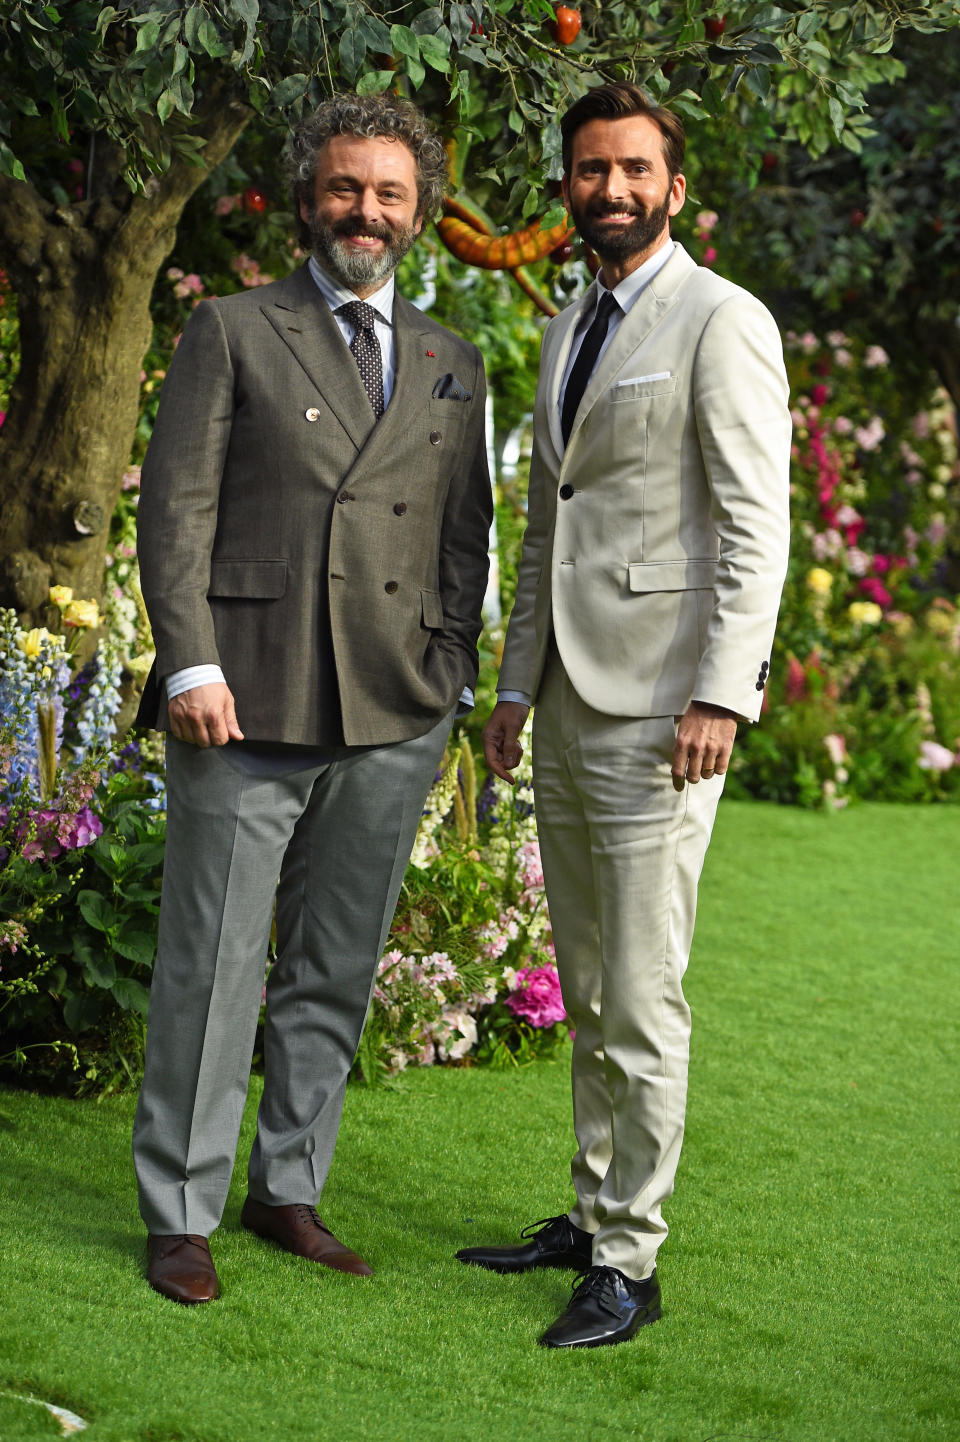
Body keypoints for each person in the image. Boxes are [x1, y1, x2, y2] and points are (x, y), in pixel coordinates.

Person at [133, 93, 492, 1305]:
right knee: (214, 964)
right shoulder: (233, 328)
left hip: (394, 709)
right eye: (346, 188)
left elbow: (462, 541)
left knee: (335, 966)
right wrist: (188, 662)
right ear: (307, 200)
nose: (367, 212)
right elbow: (173, 507)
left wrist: (447, 675)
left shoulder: (451, 360)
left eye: (390, 193)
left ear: (421, 211)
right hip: (246, 695)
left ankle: (288, 1187)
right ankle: (180, 1208)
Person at [456, 82, 791, 1349]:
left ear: (674, 186)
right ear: (568, 189)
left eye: (633, 169)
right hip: (566, 699)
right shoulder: (568, 323)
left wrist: (722, 689)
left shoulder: (722, 318)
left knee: (643, 990)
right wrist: (510, 683)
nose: (611, 189)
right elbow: (555, 521)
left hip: (664, 707)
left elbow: (758, 522)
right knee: (588, 976)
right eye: (591, 170)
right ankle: (593, 1214)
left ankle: (632, 1261)